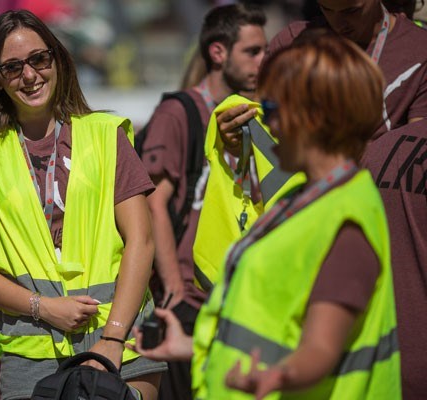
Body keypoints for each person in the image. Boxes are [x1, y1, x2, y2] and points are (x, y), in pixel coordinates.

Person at [131, 33, 401, 399]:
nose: (266, 126)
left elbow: (321, 348)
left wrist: (278, 377)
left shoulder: (344, 218)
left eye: (271, 111)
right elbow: (272, 324)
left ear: (314, 119)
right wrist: (195, 347)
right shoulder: (302, 199)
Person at [0, 9, 165, 400]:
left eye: (39, 59)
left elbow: (142, 241)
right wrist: (43, 307)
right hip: (33, 353)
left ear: (57, 59)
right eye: (12, 68)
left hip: (122, 338)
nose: (29, 75)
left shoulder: (107, 135)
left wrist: (112, 337)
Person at [263, 1, 427, 397]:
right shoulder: (294, 42)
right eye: (328, 8)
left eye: (351, 10)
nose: (339, 22)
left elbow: (409, 159)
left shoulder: (418, 52)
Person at [138, 5, 268, 399]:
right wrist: (174, 286)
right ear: (218, 53)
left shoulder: (249, 115)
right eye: (252, 51)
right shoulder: (178, 112)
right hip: (187, 300)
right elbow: (153, 203)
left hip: (227, 295)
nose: (263, 61)